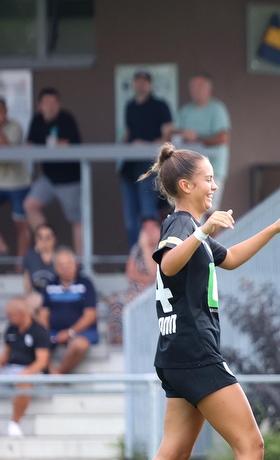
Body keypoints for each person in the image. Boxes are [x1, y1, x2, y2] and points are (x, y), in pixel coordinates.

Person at [104, 143, 280, 460]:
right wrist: (201, 231)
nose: (214, 185)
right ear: (186, 185)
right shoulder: (181, 224)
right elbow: (166, 265)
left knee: (174, 451)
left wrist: (275, 227)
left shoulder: (189, 228)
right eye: (209, 178)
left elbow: (230, 259)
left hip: (177, 354)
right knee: (250, 443)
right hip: (194, 352)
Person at [24, 88, 84, 254]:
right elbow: (28, 145)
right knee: (30, 205)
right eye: (46, 103)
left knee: (78, 220)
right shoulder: (37, 120)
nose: (50, 107)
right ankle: (47, 246)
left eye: (54, 103)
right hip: (48, 178)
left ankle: (81, 263)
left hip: (69, 180)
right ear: (40, 106)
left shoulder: (66, 119)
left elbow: (73, 144)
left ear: (59, 104)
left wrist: (57, 144)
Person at [120, 71, 172, 249]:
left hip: (150, 165)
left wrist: (147, 144)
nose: (140, 85)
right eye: (138, 81)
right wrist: (120, 148)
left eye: (144, 82)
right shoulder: (130, 106)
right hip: (129, 167)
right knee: (130, 217)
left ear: (150, 85)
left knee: (148, 215)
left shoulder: (160, 106)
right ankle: (135, 260)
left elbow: (167, 136)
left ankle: (154, 258)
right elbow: (128, 134)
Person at [164, 73, 230, 212]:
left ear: (209, 88)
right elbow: (170, 133)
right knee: (189, 213)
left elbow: (223, 138)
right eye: (194, 86)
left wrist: (196, 140)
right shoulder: (185, 111)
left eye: (201, 86)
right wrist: (183, 134)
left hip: (212, 170)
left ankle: (214, 236)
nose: (197, 89)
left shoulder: (217, 109)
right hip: (187, 171)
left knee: (212, 214)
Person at [38, 248, 98, 375]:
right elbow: (43, 314)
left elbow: (90, 315)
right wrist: (44, 334)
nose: (66, 268)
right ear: (56, 268)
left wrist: (70, 332)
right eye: (61, 265)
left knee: (79, 345)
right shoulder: (50, 285)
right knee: (35, 340)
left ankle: (58, 376)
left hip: (81, 332)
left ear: (75, 265)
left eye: (69, 264)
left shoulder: (85, 284)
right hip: (54, 332)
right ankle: (56, 377)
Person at [0, 297, 50, 438]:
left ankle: (14, 423)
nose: (7, 318)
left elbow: (42, 361)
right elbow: (7, 354)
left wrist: (26, 372)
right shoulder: (11, 328)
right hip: (10, 369)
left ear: (21, 313)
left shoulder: (39, 331)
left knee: (25, 382)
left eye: (10, 315)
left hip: (31, 370)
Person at [106, 219, 161, 344]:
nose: (148, 233)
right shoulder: (137, 248)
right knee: (115, 300)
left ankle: (133, 339)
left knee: (129, 303)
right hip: (135, 288)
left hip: (153, 292)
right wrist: (146, 278)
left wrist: (147, 248)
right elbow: (130, 273)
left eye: (151, 229)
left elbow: (155, 275)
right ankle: (117, 339)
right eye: (145, 229)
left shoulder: (163, 248)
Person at [0, 96, 32, 257]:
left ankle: (21, 264)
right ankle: (0, 245)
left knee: (21, 224)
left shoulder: (15, 127)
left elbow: (10, 153)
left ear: (6, 111)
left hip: (18, 183)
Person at [22, 224, 56, 316]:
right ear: (36, 239)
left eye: (48, 237)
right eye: (40, 237)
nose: (44, 241)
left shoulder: (60, 256)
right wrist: (28, 297)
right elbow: (27, 280)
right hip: (37, 297)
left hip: (57, 297)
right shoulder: (31, 256)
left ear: (54, 239)